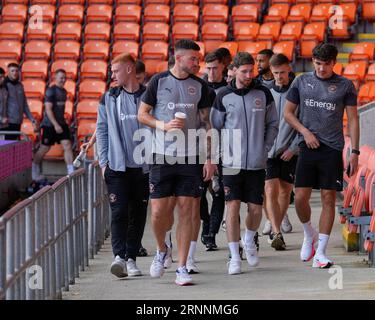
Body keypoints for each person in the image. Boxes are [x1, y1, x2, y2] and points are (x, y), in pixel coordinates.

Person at [138, 39, 216, 286]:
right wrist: (163, 125)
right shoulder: (158, 82)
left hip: (191, 157)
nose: (197, 62)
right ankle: (162, 249)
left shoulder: (200, 86)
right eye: (194, 58)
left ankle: (182, 267)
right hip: (162, 156)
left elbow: (207, 123)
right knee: (159, 212)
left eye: (198, 58)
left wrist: (210, 158)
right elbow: (142, 114)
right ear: (179, 58)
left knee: (188, 210)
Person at [284, 43, 359, 268]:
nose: (322, 68)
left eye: (326, 64)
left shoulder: (345, 85)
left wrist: (354, 150)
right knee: (299, 197)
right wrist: (305, 132)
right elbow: (288, 113)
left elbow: (353, 119)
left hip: (333, 148)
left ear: (334, 63)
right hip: (307, 145)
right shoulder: (301, 81)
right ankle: (309, 233)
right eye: (318, 64)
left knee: (328, 198)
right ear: (312, 62)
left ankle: (322, 253)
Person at [210, 52, 279, 275]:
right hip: (231, 162)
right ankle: (234, 256)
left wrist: (265, 148)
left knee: (255, 209)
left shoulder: (263, 93)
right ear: (234, 70)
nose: (249, 75)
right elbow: (215, 128)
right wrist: (217, 156)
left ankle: (249, 239)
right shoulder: (222, 95)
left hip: (257, 162)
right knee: (232, 206)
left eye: (252, 71)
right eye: (244, 71)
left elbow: (273, 124)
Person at [96, 53, 149, 278]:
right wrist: (104, 161)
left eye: (116, 71)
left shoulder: (149, 96)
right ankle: (118, 257)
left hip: (144, 167)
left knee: (138, 213)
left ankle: (131, 259)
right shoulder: (109, 97)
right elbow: (102, 129)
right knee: (119, 213)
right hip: (117, 167)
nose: (112, 75)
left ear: (129, 69)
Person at [264, 53, 298, 251]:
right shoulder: (265, 92)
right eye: (275, 73)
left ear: (289, 69)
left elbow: (303, 124)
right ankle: (277, 232)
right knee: (269, 190)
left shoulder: (297, 93)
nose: (279, 77)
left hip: (289, 151)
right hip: (268, 152)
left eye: (282, 73)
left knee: (285, 192)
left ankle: (276, 224)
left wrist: (293, 148)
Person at [199, 51, 227, 252]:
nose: (211, 72)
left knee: (220, 193)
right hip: (200, 146)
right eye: (208, 68)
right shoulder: (198, 87)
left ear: (223, 67)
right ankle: (205, 221)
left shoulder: (229, 89)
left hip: (225, 147)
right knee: (199, 192)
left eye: (215, 68)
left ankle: (211, 234)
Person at [32, 69, 74, 180]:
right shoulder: (51, 91)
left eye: (64, 78)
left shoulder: (64, 92)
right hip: (49, 125)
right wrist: (55, 125)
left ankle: (71, 172)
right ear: (55, 78)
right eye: (61, 78)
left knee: (67, 145)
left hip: (61, 123)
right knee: (44, 148)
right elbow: (48, 110)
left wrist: (61, 123)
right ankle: (34, 169)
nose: (63, 80)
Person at [4, 63, 38, 140]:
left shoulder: (20, 85)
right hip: (7, 123)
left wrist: (32, 119)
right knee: (6, 147)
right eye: (12, 71)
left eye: (16, 71)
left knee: (14, 146)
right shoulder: (4, 86)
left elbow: (24, 104)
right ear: (8, 72)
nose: (15, 73)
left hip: (17, 121)